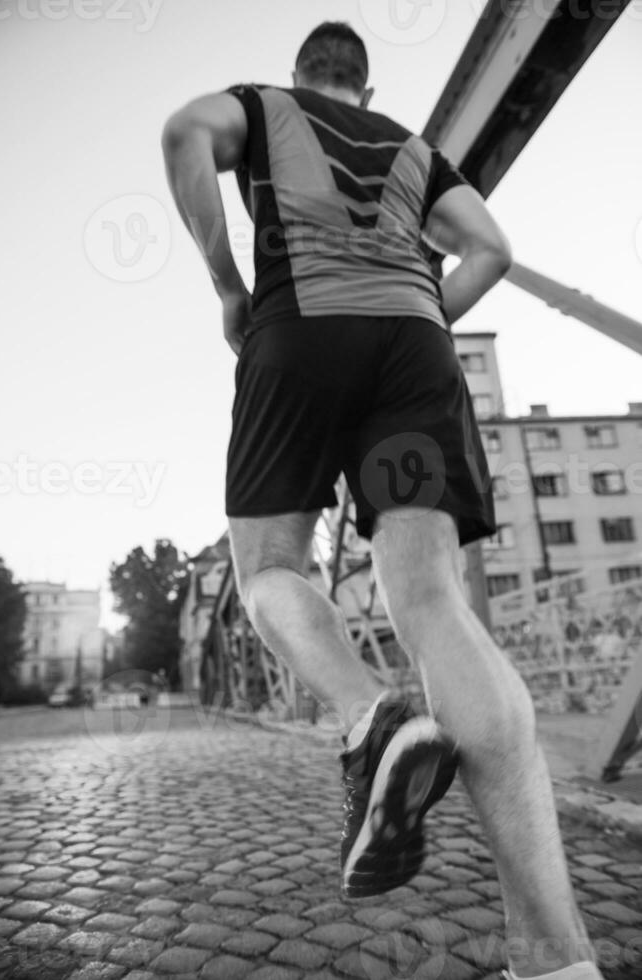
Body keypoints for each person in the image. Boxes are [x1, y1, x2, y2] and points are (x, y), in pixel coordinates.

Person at [162, 21, 603, 980]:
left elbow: (181, 134)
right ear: (366, 82)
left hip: (299, 334)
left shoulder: (263, 107)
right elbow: (489, 247)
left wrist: (229, 287)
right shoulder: (413, 148)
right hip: (412, 349)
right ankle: (559, 963)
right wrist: (418, 313)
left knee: (270, 567)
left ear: (305, 77)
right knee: (433, 602)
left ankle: (373, 717)